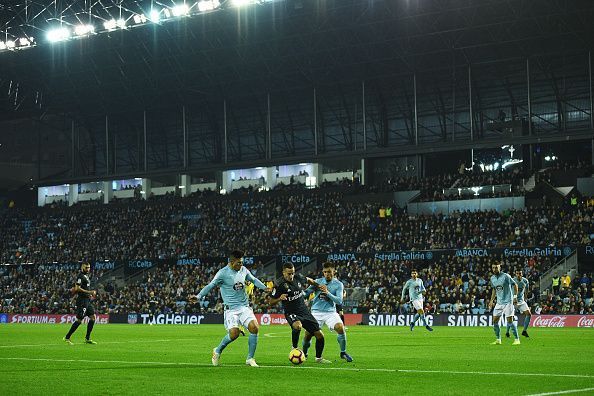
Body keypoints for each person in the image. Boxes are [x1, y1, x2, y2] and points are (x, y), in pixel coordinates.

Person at [191, 250, 268, 367]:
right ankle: (217, 351)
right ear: (231, 262)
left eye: (242, 262)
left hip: (244, 307)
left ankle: (250, 358)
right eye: (238, 263)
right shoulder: (222, 273)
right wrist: (198, 296)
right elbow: (211, 285)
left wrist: (264, 288)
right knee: (234, 334)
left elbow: (253, 280)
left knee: (254, 328)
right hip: (231, 309)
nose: (241, 265)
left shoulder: (244, 270)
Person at [268, 263, 331, 364]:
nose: (291, 276)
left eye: (292, 273)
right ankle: (294, 348)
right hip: (291, 312)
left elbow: (309, 280)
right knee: (297, 326)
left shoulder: (298, 277)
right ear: (283, 272)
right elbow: (270, 302)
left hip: (304, 311)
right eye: (289, 274)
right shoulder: (279, 284)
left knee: (320, 335)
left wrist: (318, 286)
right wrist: (279, 298)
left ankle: (318, 358)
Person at [304, 262, 353, 362]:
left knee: (340, 327)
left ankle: (343, 352)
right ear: (323, 272)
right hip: (316, 312)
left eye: (329, 272)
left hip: (330, 312)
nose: (327, 274)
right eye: (325, 272)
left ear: (334, 272)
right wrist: (300, 293)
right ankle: (304, 353)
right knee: (308, 334)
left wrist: (327, 292)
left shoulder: (338, 284)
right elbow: (306, 293)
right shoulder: (317, 282)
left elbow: (339, 300)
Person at [64, 262, 97, 345]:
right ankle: (67, 337)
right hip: (82, 301)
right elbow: (77, 288)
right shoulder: (80, 276)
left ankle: (87, 338)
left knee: (93, 317)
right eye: (86, 267)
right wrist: (89, 292)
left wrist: (90, 294)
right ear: (82, 267)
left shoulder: (86, 276)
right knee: (79, 320)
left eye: (89, 267)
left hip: (87, 300)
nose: (88, 269)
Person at [489, 262, 520, 345]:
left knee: (510, 321)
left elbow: (515, 284)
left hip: (508, 302)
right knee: (495, 321)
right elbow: (494, 289)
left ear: (500, 268)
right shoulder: (492, 278)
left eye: (496, 267)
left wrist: (515, 297)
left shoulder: (506, 276)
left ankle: (517, 339)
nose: (494, 269)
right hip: (499, 303)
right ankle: (498, 339)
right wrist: (491, 300)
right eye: (493, 268)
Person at [505, 268, 532, 338]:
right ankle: (507, 332)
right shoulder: (512, 280)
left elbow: (527, 289)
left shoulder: (525, 281)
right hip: (512, 301)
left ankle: (524, 331)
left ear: (522, 274)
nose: (518, 275)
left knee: (529, 314)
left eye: (520, 273)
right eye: (517, 273)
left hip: (521, 301)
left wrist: (525, 297)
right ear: (515, 274)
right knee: (511, 317)